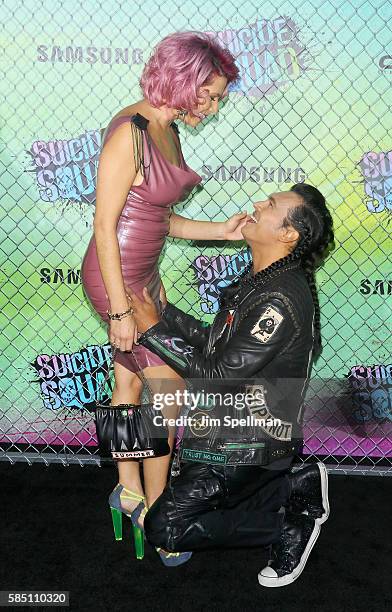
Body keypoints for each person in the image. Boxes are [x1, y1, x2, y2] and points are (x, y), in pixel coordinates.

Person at [81, 31, 243, 561]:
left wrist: (221, 231)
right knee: (169, 395)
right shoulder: (129, 133)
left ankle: (127, 490)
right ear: (183, 81)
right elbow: (105, 226)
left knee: (128, 381)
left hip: (142, 277)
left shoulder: (165, 127)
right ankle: (157, 514)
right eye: (211, 93)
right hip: (115, 279)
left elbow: (158, 218)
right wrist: (123, 309)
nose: (214, 105)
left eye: (218, 96)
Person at [128, 183, 334, 584]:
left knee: (165, 529)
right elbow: (214, 344)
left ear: (288, 235)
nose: (258, 203)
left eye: (271, 205)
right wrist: (163, 313)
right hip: (226, 434)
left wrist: (151, 329)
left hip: (249, 446)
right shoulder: (261, 278)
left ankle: (287, 519)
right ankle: (294, 484)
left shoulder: (278, 299)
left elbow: (217, 377)